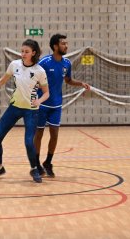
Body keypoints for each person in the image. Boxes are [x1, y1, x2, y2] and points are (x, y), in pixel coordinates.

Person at [0, 39, 50, 183]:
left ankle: (34, 168)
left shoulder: (39, 71)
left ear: (33, 53)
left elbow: (47, 93)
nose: (23, 54)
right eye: (22, 51)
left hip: (31, 110)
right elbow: (2, 80)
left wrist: (39, 101)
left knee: (29, 142)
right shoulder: (14, 65)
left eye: (26, 52)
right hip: (14, 107)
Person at [34, 34, 90, 177]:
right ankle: (36, 164)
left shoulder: (67, 63)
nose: (66, 46)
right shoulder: (44, 62)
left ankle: (48, 162)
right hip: (41, 104)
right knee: (38, 134)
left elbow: (68, 80)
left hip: (56, 105)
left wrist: (80, 84)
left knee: (54, 134)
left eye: (66, 43)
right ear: (55, 46)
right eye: (63, 43)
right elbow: (33, 79)